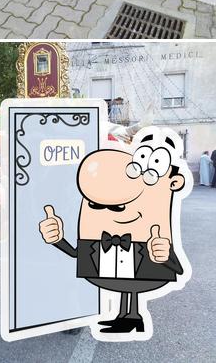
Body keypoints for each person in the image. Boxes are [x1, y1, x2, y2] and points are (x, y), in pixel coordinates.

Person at [39, 128, 188, 337]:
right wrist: (56, 237)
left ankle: (92, 316)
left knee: (98, 280)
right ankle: (79, 315)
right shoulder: (66, 173)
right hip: (81, 230)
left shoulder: (111, 173)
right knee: (71, 275)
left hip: (102, 234)